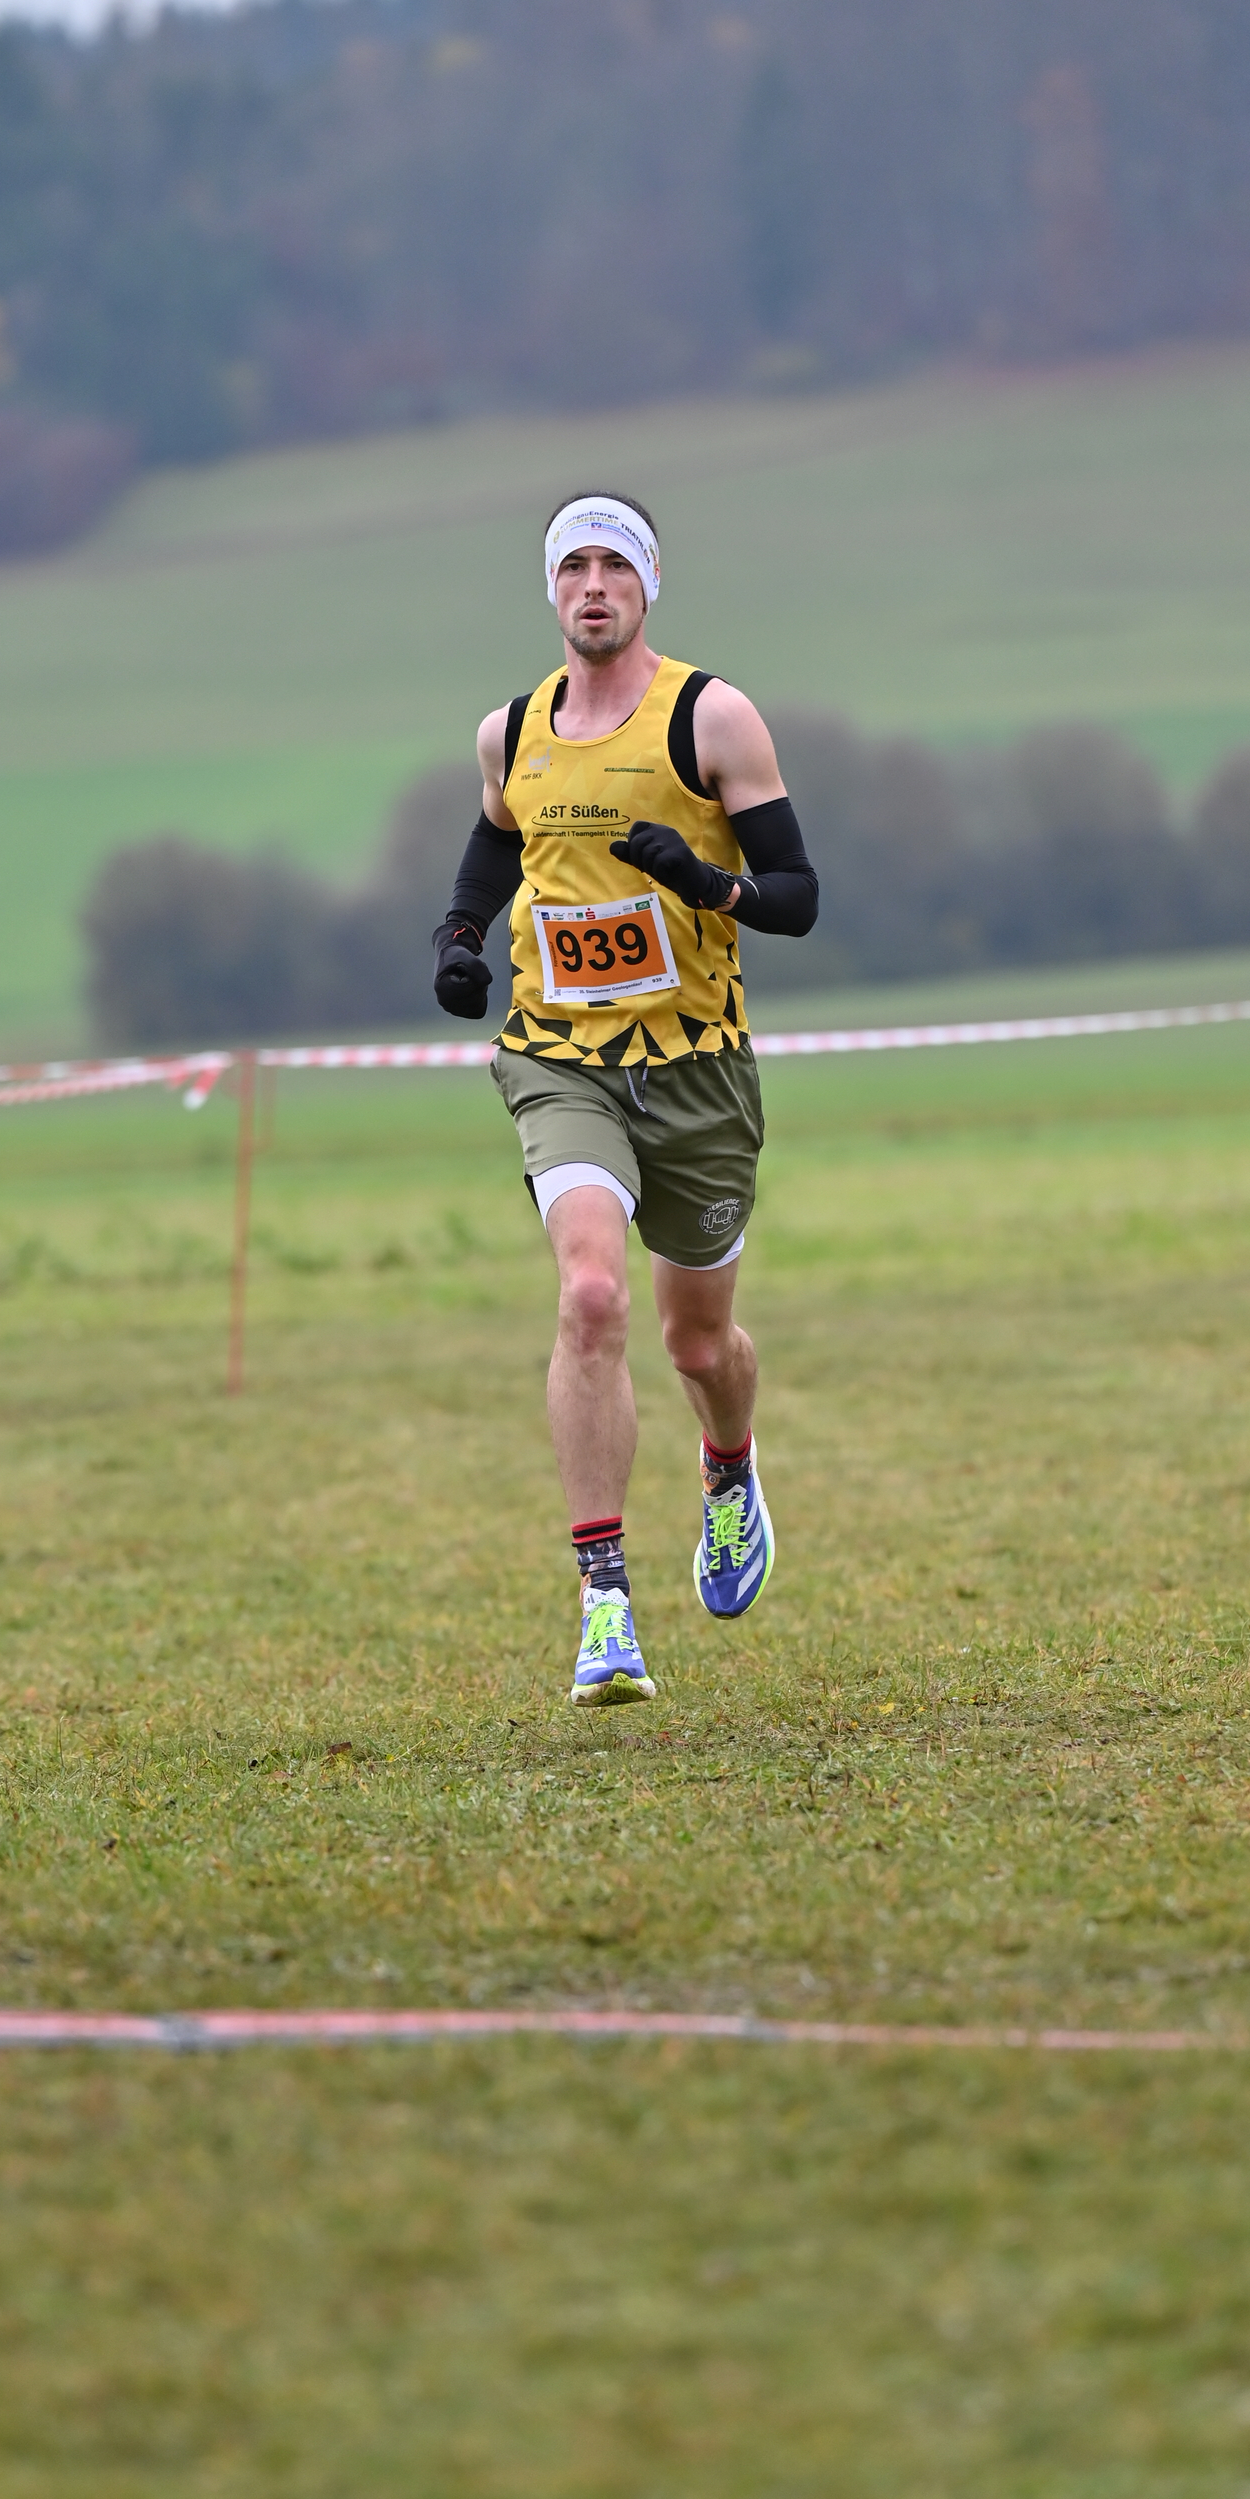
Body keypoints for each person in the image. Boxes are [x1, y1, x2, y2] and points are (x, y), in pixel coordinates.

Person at [431, 491, 819, 1706]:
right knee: (590, 1296)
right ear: (550, 589)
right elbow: (497, 838)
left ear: (645, 586)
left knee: (696, 1341)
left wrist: (706, 882)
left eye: (613, 566)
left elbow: (797, 896)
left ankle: (728, 1465)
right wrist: (458, 936)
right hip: (562, 1060)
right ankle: (604, 1603)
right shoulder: (510, 731)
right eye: (572, 567)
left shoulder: (710, 717)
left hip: (696, 1068)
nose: (591, 586)